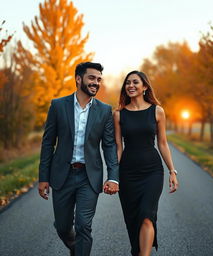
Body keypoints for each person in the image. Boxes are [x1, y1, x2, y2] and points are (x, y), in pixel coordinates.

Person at [38, 62, 119, 256]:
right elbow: (48, 142)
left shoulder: (104, 110)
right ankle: (76, 249)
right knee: (63, 227)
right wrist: (43, 177)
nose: (96, 83)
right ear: (78, 79)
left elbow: (109, 146)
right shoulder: (58, 105)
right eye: (92, 78)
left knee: (84, 226)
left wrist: (113, 176)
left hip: (88, 177)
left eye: (99, 79)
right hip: (62, 176)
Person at [113, 70, 179, 256]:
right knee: (133, 219)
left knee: (146, 215)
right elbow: (118, 147)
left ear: (145, 87)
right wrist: (113, 176)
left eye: (135, 82)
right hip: (128, 173)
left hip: (152, 172)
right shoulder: (119, 114)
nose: (131, 86)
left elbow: (163, 143)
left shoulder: (157, 111)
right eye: (128, 83)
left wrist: (172, 171)